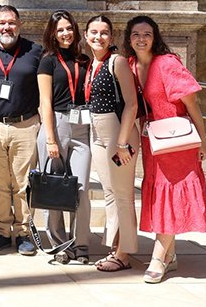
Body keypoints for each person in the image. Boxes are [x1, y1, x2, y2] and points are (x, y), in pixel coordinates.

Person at [125, 15, 206, 284]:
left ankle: (158, 258)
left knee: (170, 196)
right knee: (160, 196)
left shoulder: (167, 63)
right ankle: (170, 256)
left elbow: (192, 104)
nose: (141, 39)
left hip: (178, 143)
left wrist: (203, 141)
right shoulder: (130, 65)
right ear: (128, 38)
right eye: (136, 34)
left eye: (147, 34)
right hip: (153, 142)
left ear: (155, 36)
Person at [0, 5, 42, 255]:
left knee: (23, 184)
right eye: (2, 23)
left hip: (25, 125)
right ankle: (2, 231)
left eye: (11, 23)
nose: (7, 27)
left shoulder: (34, 51)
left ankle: (24, 233)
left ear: (19, 25)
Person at [83, 15, 139, 272]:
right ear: (86, 35)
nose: (98, 37)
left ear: (112, 37)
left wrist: (122, 142)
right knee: (108, 192)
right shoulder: (92, 64)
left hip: (119, 133)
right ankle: (115, 244)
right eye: (93, 32)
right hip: (97, 131)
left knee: (123, 195)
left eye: (104, 32)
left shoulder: (117, 62)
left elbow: (132, 103)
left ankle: (124, 254)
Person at [35, 11, 91, 264]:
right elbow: (44, 101)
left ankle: (80, 244)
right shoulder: (47, 61)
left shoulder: (84, 59)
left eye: (69, 28)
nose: (65, 33)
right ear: (52, 34)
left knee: (80, 188)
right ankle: (60, 246)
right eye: (60, 30)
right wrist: (50, 138)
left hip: (81, 125)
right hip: (55, 124)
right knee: (54, 188)